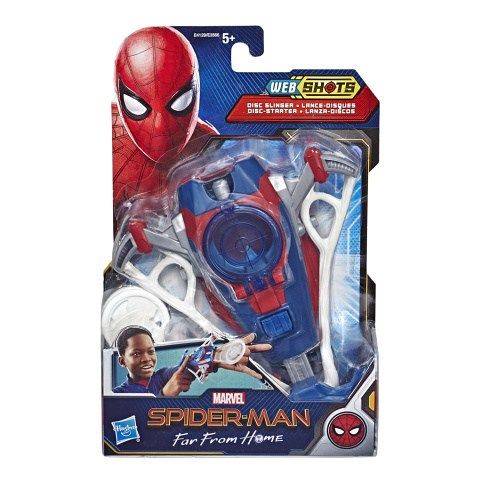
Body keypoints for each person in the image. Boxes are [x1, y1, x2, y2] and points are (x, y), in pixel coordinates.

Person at [113, 326, 271, 396]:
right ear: (122, 361)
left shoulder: (161, 376)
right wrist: (165, 394)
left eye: (151, 352)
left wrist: (218, 355)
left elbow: (188, 367)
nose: (147, 359)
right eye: (136, 354)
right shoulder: (117, 395)